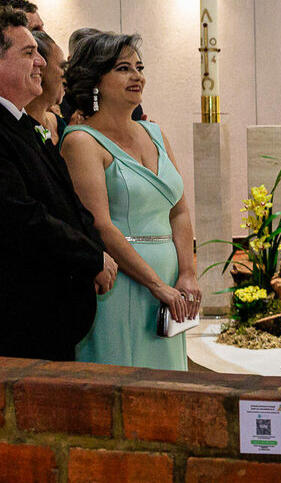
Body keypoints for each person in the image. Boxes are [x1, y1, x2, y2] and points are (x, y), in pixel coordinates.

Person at [60, 31, 199, 369]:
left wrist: (188, 274)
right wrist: (155, 284)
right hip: (121, 285)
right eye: (123, 68)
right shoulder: (81, 142)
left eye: (139, 67)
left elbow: (179, 210)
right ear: (95, 80)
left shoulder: (156, 133)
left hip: (171, 284)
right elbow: (101, 226)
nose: (137, 76)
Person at [0, 7, 114, 360]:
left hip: (49, 325)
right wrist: (89, 257)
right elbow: (21, 217)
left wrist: (94, 251)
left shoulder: (22, 124)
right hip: (21, 327)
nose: (41, 63)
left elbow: (68, 200)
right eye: (28, 52)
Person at [24, 29, 66, 146]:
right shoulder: (18, 129)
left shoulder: (58, 123)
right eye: (62, 67)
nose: (65, 76)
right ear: (38, 70)